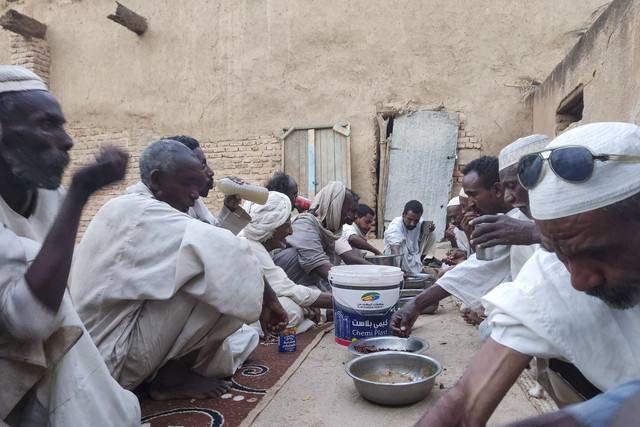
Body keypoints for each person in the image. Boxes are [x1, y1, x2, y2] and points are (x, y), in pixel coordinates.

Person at [418, 122, 640, 426]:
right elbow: (465, 403)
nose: (576, 280)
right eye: (556, 249)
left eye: (596, 253)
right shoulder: (549, 272)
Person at [69, 139, 287, 401]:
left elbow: (214, 239)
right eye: (188, 183)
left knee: (241, 329)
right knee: (218, 275)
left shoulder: (138, 205)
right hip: (108, 363)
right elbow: (227, 251)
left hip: (105, 354)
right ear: (157, 180)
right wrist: (270, 298)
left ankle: (172, 373)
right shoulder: (139, 210)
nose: (195, 193)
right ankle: (170, 379)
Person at [0, 66, 140, 425]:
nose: (67, 140)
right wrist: (80, 192)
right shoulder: (68, 196)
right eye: (47, 125)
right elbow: (29, 319)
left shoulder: (48, 195)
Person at [239, 191, 333, 332]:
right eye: (287, 225)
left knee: (310, 294)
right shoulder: (249, 245)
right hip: (242, 307)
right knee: (292, 311)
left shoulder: (257, 243)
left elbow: (281, 287)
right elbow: (289, 289)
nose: (290, 231)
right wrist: (344, 301)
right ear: (272, 227)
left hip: (261, 298)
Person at [272, 181, 359, 292]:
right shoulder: (305, 225)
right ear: (333, 207)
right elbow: (322, 268)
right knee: (299, 256)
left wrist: (332, 297)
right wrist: (357, 287)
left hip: (303, 281)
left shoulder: (327, 231)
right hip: (278, 282)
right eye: (349, 210)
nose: (352, 216)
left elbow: (324, 277)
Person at [168, 135, 250, 234]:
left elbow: (216, 236)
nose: (211, 172)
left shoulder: (194, 200)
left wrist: (229, 207)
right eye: (202, 166)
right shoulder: (164, 215)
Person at [383, 200, 438, 275]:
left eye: (416, 220)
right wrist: (399, 269)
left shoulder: (420, 221)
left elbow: (424, 233)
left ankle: (419, 267)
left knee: (431, 234)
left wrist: (429, 229)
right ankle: (404, 270)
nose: (412, 224)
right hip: (397, 256)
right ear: (403, 215)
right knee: (400, 246)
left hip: (412, 254)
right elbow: (394, 250)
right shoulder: (395, 226)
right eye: (409, 219)